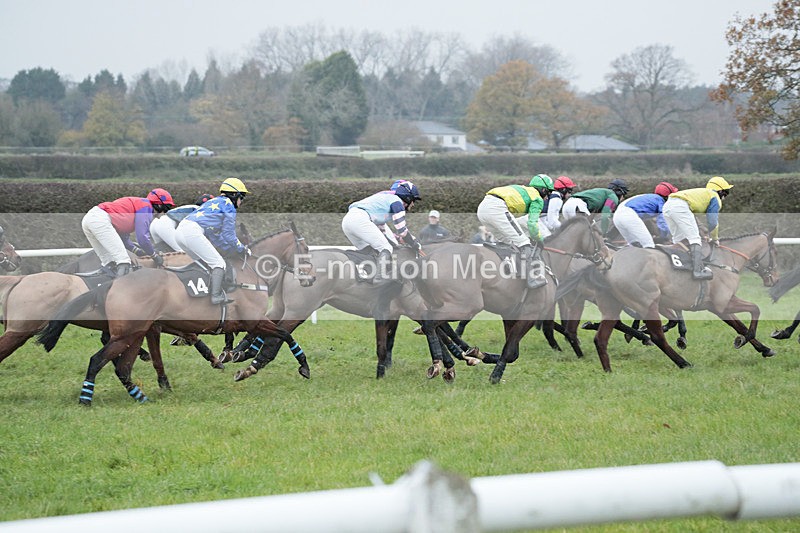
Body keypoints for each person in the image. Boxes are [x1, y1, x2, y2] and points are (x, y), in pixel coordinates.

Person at [176, 179, 249, 304]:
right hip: (193, 232)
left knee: (204, 264)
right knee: (219, 264)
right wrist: (242, 249)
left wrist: (228, 249)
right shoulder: (229, 206)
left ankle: (201, 291)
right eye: (241, 198)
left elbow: (215, 236)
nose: (241, 202)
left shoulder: (214, 201)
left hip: (180, 231)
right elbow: (229, 235)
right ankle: (216, 296)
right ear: (234, 195)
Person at [476, 174, 554, 289]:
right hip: (497, 208)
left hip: (482, 209)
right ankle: (533, 278)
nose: (547, 197)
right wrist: (540, 239)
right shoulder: (537, 198)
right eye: (548, 193)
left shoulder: (525, 190)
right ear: (543, 190)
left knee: (507, 241)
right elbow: (532, 224)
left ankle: (506, 265)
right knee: (524, 242)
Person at [81, 188, 175, 277]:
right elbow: (142, 238)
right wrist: (154, 255)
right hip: (99, 220)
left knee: (109, 264)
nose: (163, 214)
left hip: (89, 219)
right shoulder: (146, 207)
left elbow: (123, 240)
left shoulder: (136, 206)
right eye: (166, 209)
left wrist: (137, 251)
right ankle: (120, 292)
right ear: (159, 205)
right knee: (124, 261)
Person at [341, 181, 422, 282]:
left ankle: (364, 276)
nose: (413, 204)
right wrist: (414, 243)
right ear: (408, 198)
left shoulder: (384, 201)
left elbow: (382, 232)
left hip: (347, 221)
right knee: (385, 247)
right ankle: (379, 280)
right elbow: (403, 231)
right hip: (360, 219)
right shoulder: (397, 203)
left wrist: (395, 244)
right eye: (413, 201)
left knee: (369, 251)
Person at [662, 176, 733, 280]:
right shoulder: (715, 197)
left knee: (679, 240)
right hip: (680, 206)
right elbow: (713, 222)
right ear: (721, 191)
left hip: (667, 206)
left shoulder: (703, 194)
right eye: (726, 193)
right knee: (695, 239)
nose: (725, 197)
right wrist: (715, 238)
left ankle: (678, 268)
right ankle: (698, 271)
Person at [612, 181, 678, 248]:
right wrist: (663, 237)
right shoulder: (661, 201)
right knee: (649, 245)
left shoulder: (648, 197)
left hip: (617, 217)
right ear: (668, 196)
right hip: (629, 216)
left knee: (634, 246)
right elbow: (663, 222)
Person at [150, 193, 215, 252]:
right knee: (184, 253)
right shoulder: (201, 211)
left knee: (162, 251)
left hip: (155, 224)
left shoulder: (191, 207)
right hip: (165, 225)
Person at [562, 178, 628, 235]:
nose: (623, 198)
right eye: (624, 195)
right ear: (620, 193)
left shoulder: (604, 193)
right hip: (577, 206)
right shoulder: (613, 196)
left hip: (567, 206)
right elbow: (605, 215)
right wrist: (603, 234)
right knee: (594, 231)